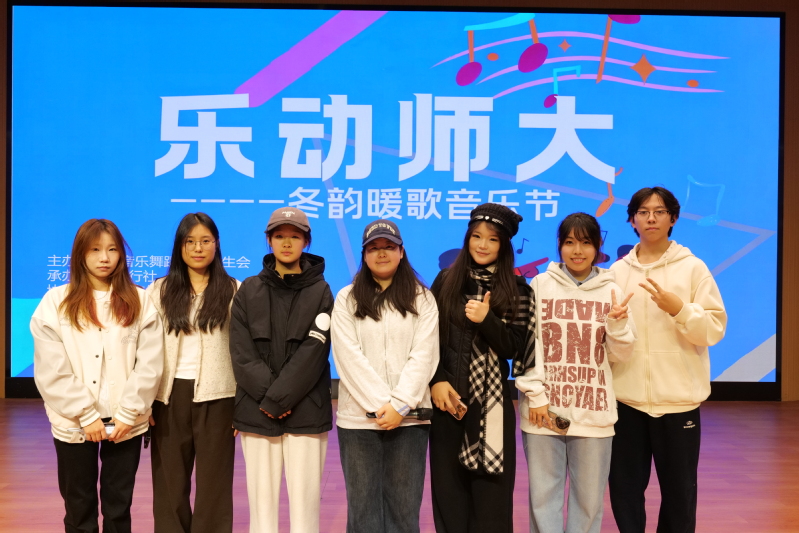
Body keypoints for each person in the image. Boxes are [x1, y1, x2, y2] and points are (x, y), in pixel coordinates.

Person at [31, 219, 164, 533]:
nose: (104, 257)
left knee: (118, 507)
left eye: (112, 249)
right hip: (74, 421)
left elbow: (150, 362)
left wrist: (129, 413)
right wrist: (86, 414)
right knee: (79, 507)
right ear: (80, 254)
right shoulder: (56, 302)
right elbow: (51, 368)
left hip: (125, 422)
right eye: (95, 250)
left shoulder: (139, 300)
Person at [608, 186, 727, 533]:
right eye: (643, 212)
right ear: (632, 220)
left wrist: (680, 310)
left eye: (659, 212)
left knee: (679, 493)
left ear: (673, 218)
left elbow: (714, 329)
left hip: (678, 403)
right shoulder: (617, 272)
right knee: (625, 490)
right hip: (626, 401)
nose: (651, 218)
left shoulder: (692, 268)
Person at [516, 212, 636, 533]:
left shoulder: (613, 290)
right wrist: (536, 395)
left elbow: (622, 355)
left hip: (593, 412)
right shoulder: (539, 285)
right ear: (559, 245)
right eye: (570, 242)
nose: (577, 251)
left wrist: (617, 325)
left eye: (585, 242)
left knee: (588, 503)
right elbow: (527, 344)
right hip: (543, 411)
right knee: (543, 499)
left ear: (598, 247)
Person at [429, 203, 534, 533]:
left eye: (492, 239)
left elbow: (514, 347)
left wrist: (487, 319)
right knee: (449, 501)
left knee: (491, 507)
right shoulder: (446, 281)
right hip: (448, 403)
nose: (482, 245)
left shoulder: (518, 289)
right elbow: (426, 338)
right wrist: (436, 380)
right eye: (476, 236)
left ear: (504, 245)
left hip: (492, 408)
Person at [331, 219, 439, 533]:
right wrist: (383, 406)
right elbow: (347, 357)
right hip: (358, 421)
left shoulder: (423, 298)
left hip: (410, 420)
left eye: (389, 247)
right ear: (364, 255)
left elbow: (425, 355)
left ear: (401, 252)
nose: (382, 254)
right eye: (374, 248)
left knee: (404, 512)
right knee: (362, 512)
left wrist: (400, 405)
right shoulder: (347, 298)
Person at [230, 207, 334, 533]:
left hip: (306, 410)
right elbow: (241, 353)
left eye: (294, 236)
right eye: (279, 236)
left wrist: (280, 398)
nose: (286, 243)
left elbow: (315, 352)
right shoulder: (248, 289)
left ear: (306, 241)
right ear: (269, 240)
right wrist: (270, 398)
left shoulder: (321, 291)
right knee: (261, 509)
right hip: (256, 410)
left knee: (305, 509)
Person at [146, 213, 240, 533]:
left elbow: (244, 351)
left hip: (219, 395)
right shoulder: (159, 290)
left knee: (215, 484)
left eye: (205, 241)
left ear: (216, 245)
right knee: (169, 483)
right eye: (190, 241)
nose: (198, 248)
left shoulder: (234, 290)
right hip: (168, 396)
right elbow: (143, 348)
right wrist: (143, 402)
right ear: (179, 246)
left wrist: (243, 404)